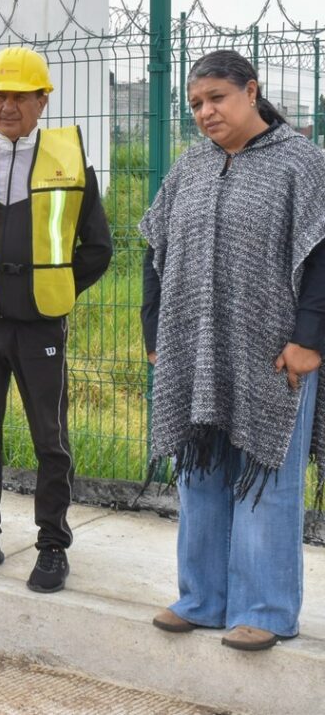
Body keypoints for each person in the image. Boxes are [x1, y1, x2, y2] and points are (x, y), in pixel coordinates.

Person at [141, 49, 325, 651]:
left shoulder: (301, 163)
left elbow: (321, 256)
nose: (205, 112)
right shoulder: (191, 166)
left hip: (275, 354)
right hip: (194, 349)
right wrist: (155, 333)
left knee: (267, 475)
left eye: (216, 98)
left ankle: (265, 609)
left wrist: (308, 340)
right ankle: (202, 598)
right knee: (200, 471)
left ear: (251, 91)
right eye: (196, 103)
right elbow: (154, 246)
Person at [0, 46, 113, 593]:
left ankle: (52, 545)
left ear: (41, 101)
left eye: (19, 96)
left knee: (50, 438)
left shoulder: (70, 160)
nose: (7, 106)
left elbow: (97, 247)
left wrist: (53, 286)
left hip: (39, 325)